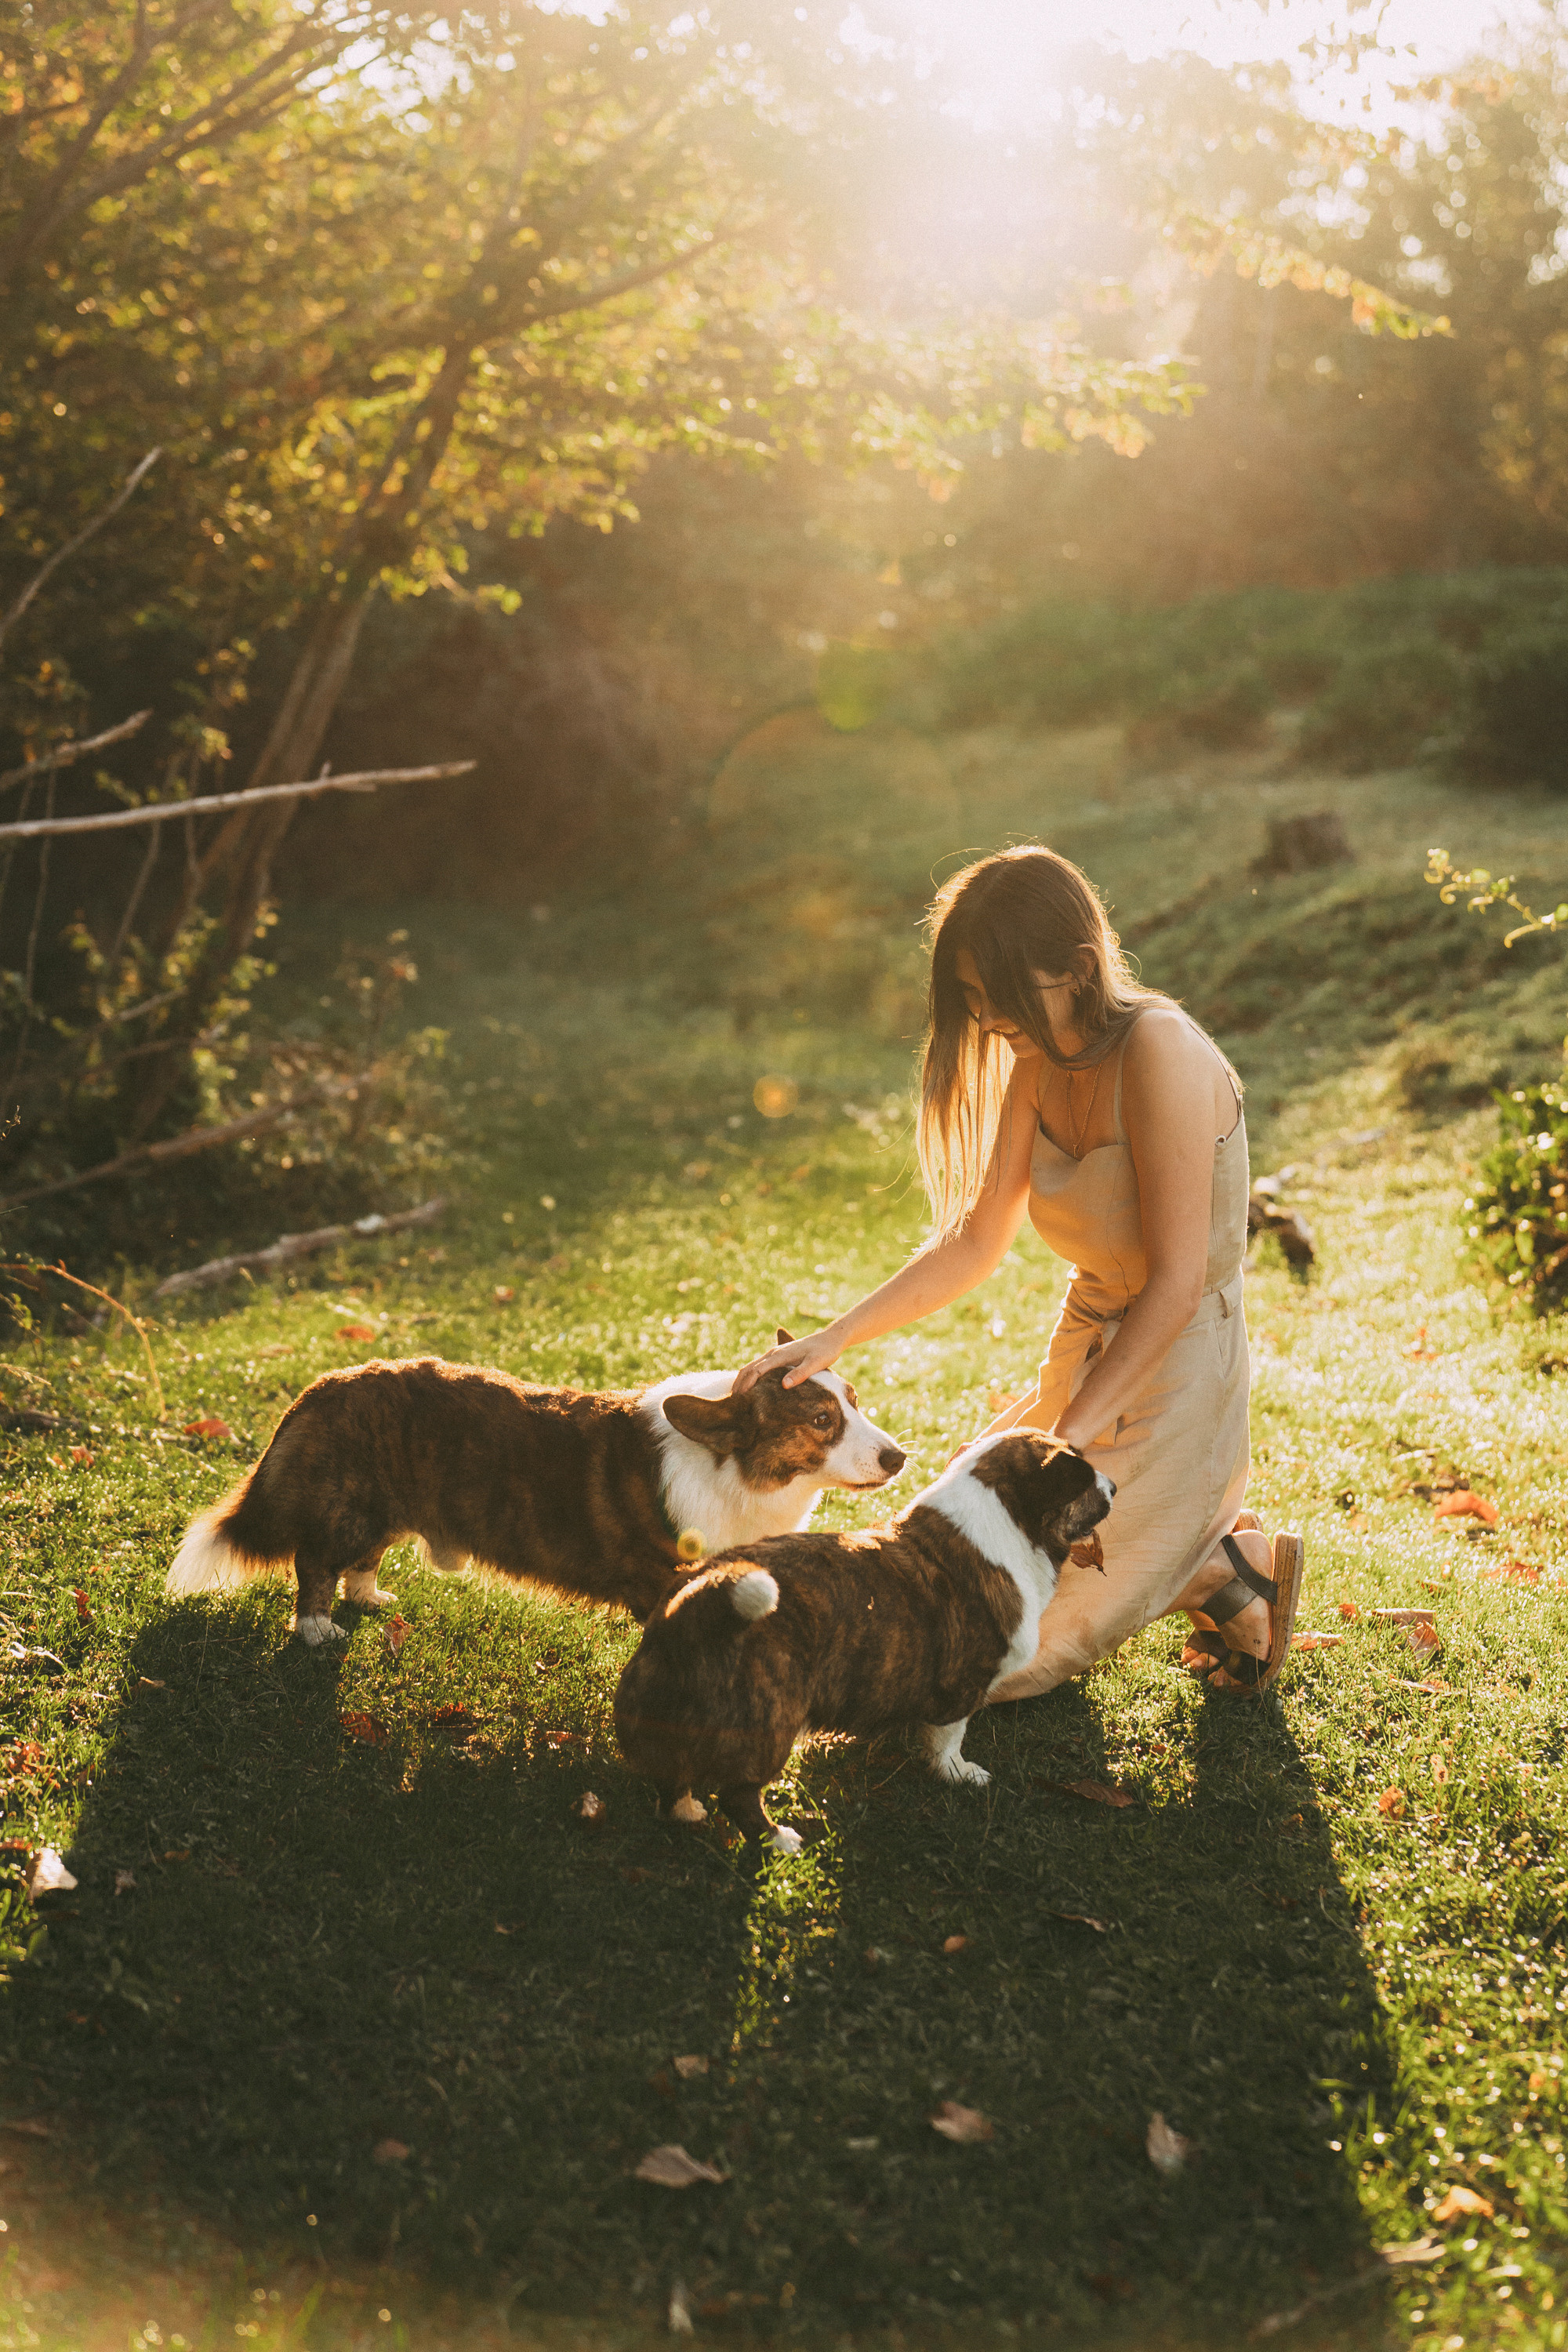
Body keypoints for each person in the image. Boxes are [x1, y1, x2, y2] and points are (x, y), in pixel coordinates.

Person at [733, 844, 1303, 1699]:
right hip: (1086, 1342)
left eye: (997, 992)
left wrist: (1062, 1444)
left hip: (1178, 1355)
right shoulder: (1036, 1063)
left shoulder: (1159, 1051)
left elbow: (1177, 1285)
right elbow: (973, 1240)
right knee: (948, 1574)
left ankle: (1212, 1565)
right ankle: (1214, 1566)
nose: (983, 1014)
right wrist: (835, 1336)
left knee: (995, 1655)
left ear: (1076, 968)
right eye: (969, 995)